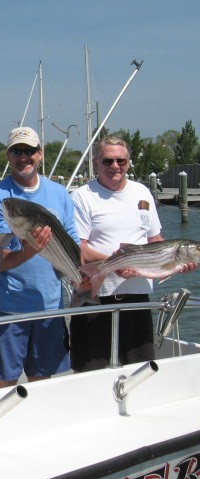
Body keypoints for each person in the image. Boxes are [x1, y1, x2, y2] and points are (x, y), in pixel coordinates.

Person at [69, 136, 196, 371]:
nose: (115, 166)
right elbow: (79, 247)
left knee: (139, 370)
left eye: (121, 161)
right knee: (90, 372)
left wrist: (180, 262)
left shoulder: (142, 192)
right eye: (108, 161)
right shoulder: (82, 197)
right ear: (96, 163)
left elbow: (155, 240)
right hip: (95, 298)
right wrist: (114, 263)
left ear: (128, 162)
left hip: (137, 298)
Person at [0, 126, 75, 388]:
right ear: (9, 156)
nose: (23, 157)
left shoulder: (60, 193)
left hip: (49, 306)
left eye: (30, 151)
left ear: (40, 154)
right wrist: (31, 248)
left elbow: (73, 242)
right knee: (5, 382)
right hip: (8, 308)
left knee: (41, 382)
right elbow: (0, 261)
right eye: (17, 151)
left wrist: (83, 277)